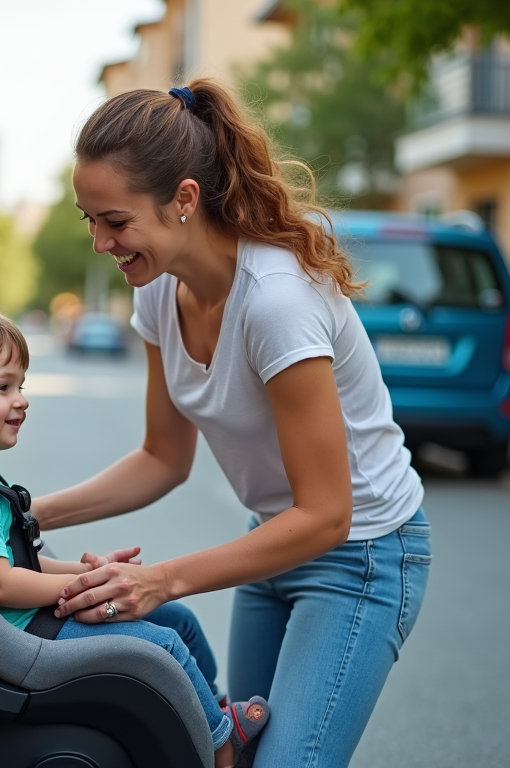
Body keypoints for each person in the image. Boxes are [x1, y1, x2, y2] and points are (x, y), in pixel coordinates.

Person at [32, 79, 433, 768]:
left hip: (363, 556)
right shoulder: (160, 292)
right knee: (226, 756)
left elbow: (328, 514)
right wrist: (24, 515)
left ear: (184, 199)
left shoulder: (277, 302)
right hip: (273, 544)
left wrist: (161, 580)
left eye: (116, 221)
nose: (100, 241)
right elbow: (163, 457)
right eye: (88, 220)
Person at [0, 296, 270, 768]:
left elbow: (17, 561)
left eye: (21, 385)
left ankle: (211, 713)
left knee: (178, 619)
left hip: (33, 619)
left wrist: (95, 572)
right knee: (163, 645)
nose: (21, 399)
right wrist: (77, 587)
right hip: (28, 635)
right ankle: (223, 749)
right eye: (3, 387)